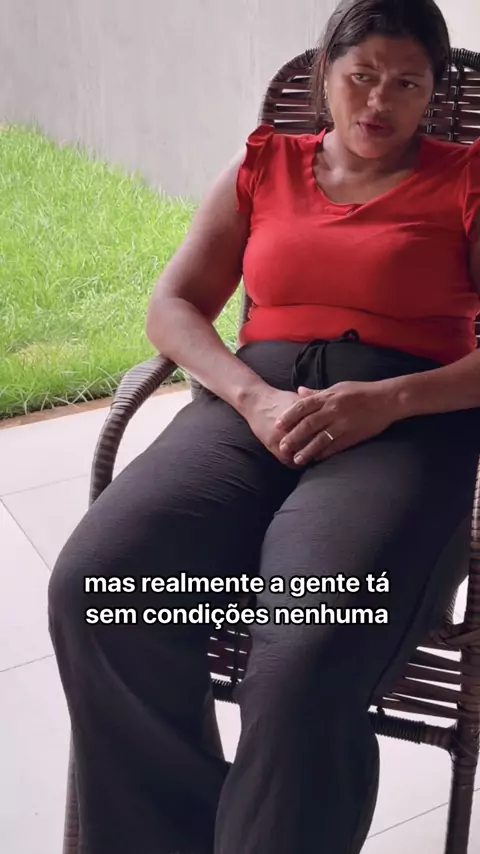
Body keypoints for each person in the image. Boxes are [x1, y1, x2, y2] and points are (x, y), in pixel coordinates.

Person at [48, 1, 480, 852]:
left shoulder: (466, 180)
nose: (378, 101)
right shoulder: (264, 164)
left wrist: (388, 400)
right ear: (325, 74)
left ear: (432, 93)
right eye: (361, 76)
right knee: (100, 589)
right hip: (253, 408)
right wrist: (251, 397)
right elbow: (173, 306)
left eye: (406, 84)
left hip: (401, 424)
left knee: (309, 649)